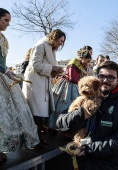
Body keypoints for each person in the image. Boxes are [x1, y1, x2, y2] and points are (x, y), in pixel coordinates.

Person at [56, 61, 118, 170]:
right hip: (82, 164)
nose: (105, 80)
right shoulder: (84, 99)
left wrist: (89, 149)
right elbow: (60, 123)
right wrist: (82, 114)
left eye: (111, 77)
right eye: (102, 76)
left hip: (111, 166)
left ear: (117, 79)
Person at [0, 8, 39, 162]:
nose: (8, 24)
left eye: (9, 21)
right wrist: (5, 70)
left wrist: (8, 72)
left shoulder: (3, 38)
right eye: (6, 20)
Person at [22, 29, 66, 145]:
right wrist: (52, 68)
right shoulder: (41, 45)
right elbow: (35, 64)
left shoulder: (51, 48)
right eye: (61, 41)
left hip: (42, 82)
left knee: (41, 111)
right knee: (36, 111)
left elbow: (47, 66)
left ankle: (38, 139)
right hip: (35, 82)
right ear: (55, 38)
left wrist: (56, 70)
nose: (61, 44)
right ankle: (34, 140)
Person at [48, 47, 92, 132]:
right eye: (87, 61)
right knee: (64, 105)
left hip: (74, 85)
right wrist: (82, 83)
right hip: (67, 86)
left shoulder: (80, 65)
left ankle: (68, 128)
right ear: (83, 58)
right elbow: (71, 78)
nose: (88, 63)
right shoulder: (74, 62)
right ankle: (56, 125)